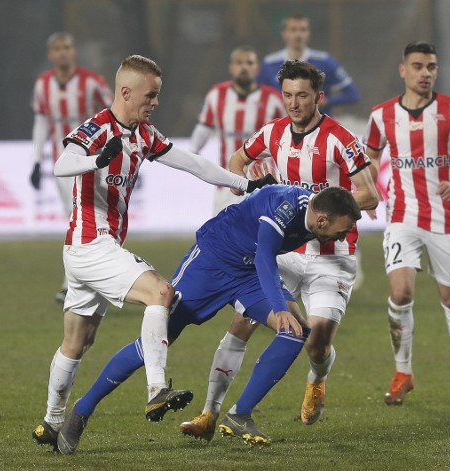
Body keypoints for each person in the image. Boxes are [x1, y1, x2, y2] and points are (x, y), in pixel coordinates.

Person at [30, 54, 277, 451]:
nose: (155, 102)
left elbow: (192, 163)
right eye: (151, 95)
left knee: (78, 342)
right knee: (161, 293)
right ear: (126, 92)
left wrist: (243, 184)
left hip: (85, 250)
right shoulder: (97, 129)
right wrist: (97, 160)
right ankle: (156, 389)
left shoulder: (142, 133)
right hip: (91, 245)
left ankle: (51, 422)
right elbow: (61, 163)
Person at [52, 185, 362, 453]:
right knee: (159, 338)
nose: (345, 235)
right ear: (322, 220)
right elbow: (266, 255)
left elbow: (262, 259)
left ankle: (239, 414)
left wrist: (282, 309)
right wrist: (280, 306)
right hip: (211, 263)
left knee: (295, 332)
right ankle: (82, 409)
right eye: (344, 229)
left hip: (247, 273)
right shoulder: (285, 206)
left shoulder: (316, 213)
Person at [178, 60, 379, 441]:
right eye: (287, 95)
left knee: (316, 343)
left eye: (302, 95)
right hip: (284, 251)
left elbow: (369, 193)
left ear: (318, 97)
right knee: (241, 323)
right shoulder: (272, 134)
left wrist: (321, 205)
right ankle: (209, 413)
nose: (294, 103)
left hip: (330, 257)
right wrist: (246, 182)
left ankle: (317, 378)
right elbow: (239, 160)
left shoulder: (340, 139)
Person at [363, 42, 450, 405]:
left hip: (443, 217)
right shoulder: (381, 116)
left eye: (431, 66)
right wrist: (367, 192)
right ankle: (403, 372)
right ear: (403, 71)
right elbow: (370, 157)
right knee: (400, 294)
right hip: (401, 216)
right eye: (417, 66)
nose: (425, 72)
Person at [29, 32, 113, 304]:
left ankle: (87, 282)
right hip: (64, 164)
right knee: (76, 219)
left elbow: (114, 115)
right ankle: (77, 284)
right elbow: (41, 123)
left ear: (73, 52)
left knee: (97, 220)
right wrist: (35, 161)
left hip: (94, 163)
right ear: (50, 54)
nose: (62, 52)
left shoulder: (92, 82)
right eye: (57, 48)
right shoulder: (42, 85)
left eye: (67, 47)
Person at [190, 45, 285, 214]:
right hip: (227, 182)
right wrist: (192, 153)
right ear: (231, 68)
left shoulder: (273, 99)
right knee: (221, 237)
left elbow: (287, 134)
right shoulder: (216, 95)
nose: (244, 67)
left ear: (257, 68)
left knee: (264, 238)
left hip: (263, 182)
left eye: (249, 63)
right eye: (239, 63)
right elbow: (203, 127)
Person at [258, 13, 359, 117]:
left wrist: (324, 101)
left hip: (319, 127)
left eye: (303, 29)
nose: (298, 34)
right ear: (284, 34)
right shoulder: (269, 64)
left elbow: (352, 93)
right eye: (293, 29)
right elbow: (257, 97)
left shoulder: (325, 61)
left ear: (308, 33)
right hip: (282, 128)